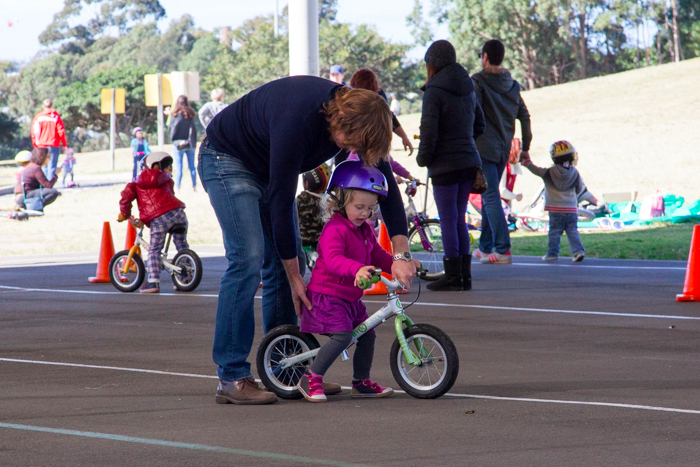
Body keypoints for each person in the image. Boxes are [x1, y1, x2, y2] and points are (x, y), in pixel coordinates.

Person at [199, 76, 417, 406]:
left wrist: (401, 253)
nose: (351, 151)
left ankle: (286, 372)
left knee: (290, 265)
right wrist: (293, 275)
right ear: (341, 121)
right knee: (249, 258)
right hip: (228, 160)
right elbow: (281, 198)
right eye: (352, 143)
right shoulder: (297, 120)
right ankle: (231, 376)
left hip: (268, 168)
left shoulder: (362, 121)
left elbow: (386, 187)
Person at [297, 161, 395, 402]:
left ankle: (360, 382)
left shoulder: (365, 230)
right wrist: (358, 269)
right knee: (342, 336)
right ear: (340, 202)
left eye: (371, 208)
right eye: (359, 207)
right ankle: (310, 377)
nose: (365, 213)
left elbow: (378, 255)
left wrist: (399, 265)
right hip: (327, 296)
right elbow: (333, 259)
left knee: (367, 334)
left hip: (349, 297)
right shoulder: (335, 229)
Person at [416, 40, 485, 291]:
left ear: (432, 64)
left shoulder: (434, 90)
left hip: (444, 165)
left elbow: (429, 131)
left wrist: (423, 158)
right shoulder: (469, 87)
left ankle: (453, 277)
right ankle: (464, 276)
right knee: (458, 219)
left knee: (447, 219)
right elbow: (480, 125)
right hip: (468, 161)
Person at [472, 39, 532, 265]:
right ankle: (485, 247)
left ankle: (503, 249)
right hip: (503, 149)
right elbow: (525, 116)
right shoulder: (513, 86)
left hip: (483, 147)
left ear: (485, 57)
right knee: (491, 196)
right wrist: (525, 147)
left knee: (489, 197)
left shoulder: (477, 82)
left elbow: (472, 112)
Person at [118, 152, 189, 293]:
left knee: (155, 250)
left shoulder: (136, 181)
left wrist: (125, 214)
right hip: (178, 213)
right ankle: (186, 277)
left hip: (159, 217)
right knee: (182, 245)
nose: (170, 170)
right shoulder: (167, 179)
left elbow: (126, 197)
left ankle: (153, 282)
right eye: (168, 167)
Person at [521, 141, 598, 262]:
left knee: (554, 232)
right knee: (572, 231)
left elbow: (535, 169)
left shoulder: (549, 172)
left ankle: (552, 253)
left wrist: (526, 162)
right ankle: (578, 252)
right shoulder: (575, 173)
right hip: (571, 209)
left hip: (555, 209)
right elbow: (579, 189)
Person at [349, 68, 414, 156]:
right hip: (354, 149)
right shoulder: (350, 101)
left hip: (376, 147)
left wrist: (404, 137)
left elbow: (389, 117)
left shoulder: (379, 95)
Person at [31, 99, 67, 180]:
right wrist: (64, 145)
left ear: (43, 106)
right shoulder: (55, 117)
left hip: (41, 145)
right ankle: (49, 186)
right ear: (52, 106)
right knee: (52, 166)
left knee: (44, 166)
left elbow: (34, 132)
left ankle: (44, 185)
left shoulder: (38, 117)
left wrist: (35, 145)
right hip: (53, 144)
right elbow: (61, 131)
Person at [297, 164, 331, 250]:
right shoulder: (327, 200)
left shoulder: (302, 199)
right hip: (320, 243)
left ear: (307, 183)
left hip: (303, 243)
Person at [168, 95, 198, 192]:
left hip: (178, 143)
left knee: (179, 166)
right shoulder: (190, 114)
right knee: (192, 166)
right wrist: (193, 142)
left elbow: (171, 128)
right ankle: (194, 186)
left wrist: (175, 141)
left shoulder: (175, 114)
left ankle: (177, 187)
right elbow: (194, 129)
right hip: (189, 143)